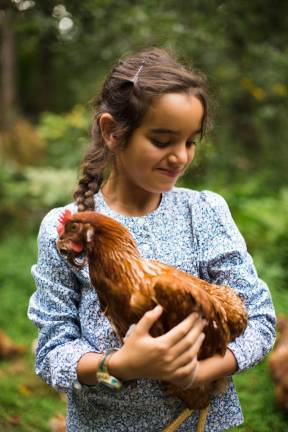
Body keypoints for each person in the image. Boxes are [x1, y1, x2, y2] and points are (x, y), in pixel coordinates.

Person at [28, 48, 276, 432]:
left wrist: (200, 372)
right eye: (163, 141)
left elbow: (261, 320)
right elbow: (51, 352)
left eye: (191, 142)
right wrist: (121, 366)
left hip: (199, 421)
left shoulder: (204, 212)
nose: (180, 156)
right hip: (102, 424)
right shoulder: (67, 229)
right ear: (111, 131)